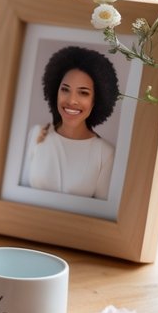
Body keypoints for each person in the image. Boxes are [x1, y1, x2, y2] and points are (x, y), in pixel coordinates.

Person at [22, 45, 119, 200]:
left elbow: (100, 210)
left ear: (96, 100)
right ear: (55, 91)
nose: (72, 100)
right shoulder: (37, 134)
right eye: (65, 89)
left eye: (83, 93)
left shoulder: (105, 154)